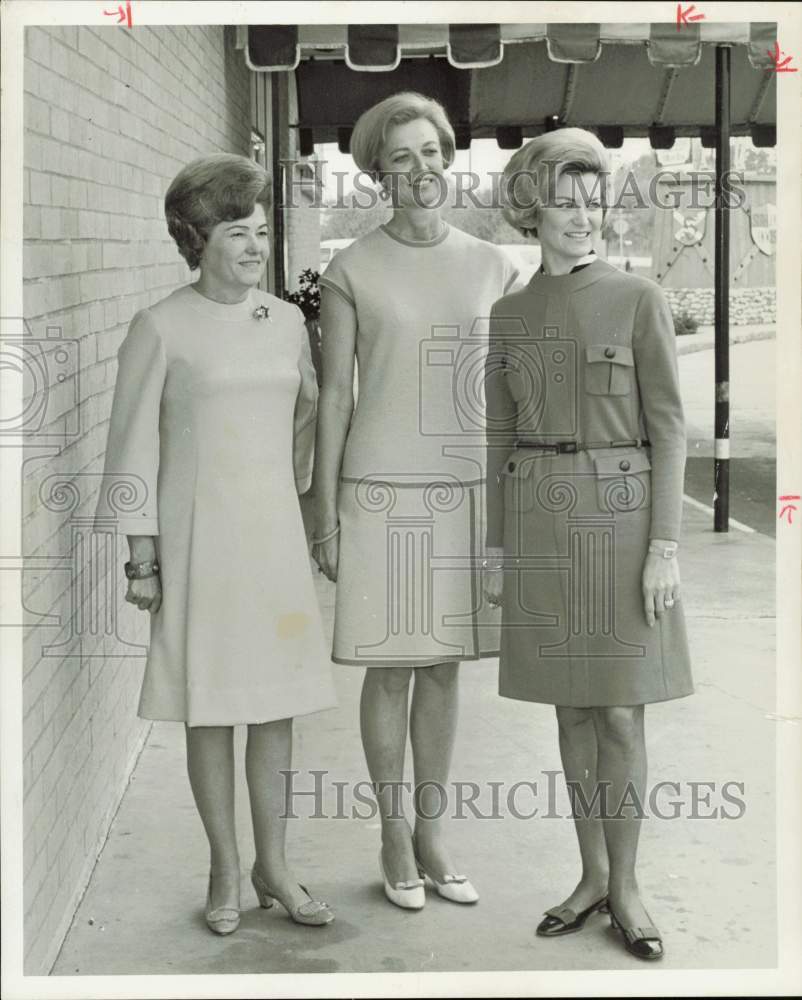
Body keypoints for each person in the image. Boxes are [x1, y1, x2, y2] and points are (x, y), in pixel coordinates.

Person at [94, 153, 338, 935]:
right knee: (212, 709)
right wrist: (141, 557)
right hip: (200, 544)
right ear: (196, 239)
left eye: (262, 231)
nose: (254, 247)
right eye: (238, 232)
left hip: (273, 543)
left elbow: (305, 424)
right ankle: (225, 868)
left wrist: (312, 512)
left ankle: (278, 865)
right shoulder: (160, 327)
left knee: (277, 707)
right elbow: (131, 448)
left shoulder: (287, 321)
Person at [484, 129, 693, 960]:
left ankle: (630, 886)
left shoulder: (638, 299)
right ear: (534, 209)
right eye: (564, 203)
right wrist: (497, 549)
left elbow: (671, 428)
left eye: (593, 201)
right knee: (569, 709)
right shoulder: (509, 315)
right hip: (539, 515)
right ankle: (591, 875)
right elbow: (499, 434)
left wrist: (665, 547)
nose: (581, 217)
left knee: (618, 709)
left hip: (623, 515)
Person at [313, 92, 519, 909]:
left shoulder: (493, 265)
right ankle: (393, 833)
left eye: (431, 150)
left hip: (464, 490)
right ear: (376, 172)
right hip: (378, 491)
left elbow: (509, 398)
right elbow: (333, 397)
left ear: (449, 155)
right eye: (401, 157)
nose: (421, 168)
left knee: (442, 669)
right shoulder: (351, 269)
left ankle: (433, 832)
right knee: (391, 668)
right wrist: (323, 509)